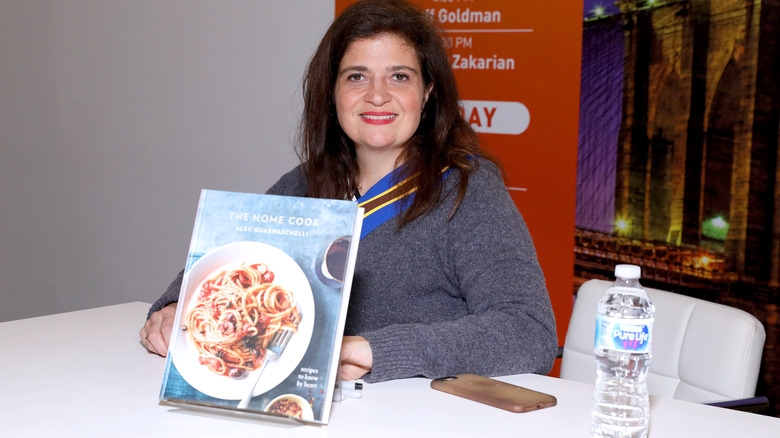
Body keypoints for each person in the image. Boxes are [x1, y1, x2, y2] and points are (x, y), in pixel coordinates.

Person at [140, 0, 558, 383]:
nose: (377, 95)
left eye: (400, 76)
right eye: (356, 76)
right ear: (332, 92)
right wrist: (173, 309)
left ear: (427, 92)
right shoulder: (303, 184)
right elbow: (212, 274)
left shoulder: (467, 189)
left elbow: (530, 332)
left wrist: (374, 350)